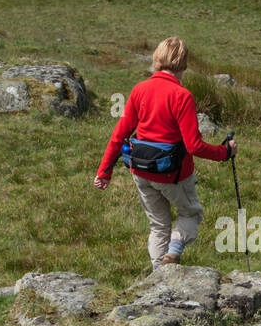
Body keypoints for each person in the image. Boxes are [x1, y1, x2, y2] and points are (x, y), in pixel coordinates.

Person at [94, 37, 237, 271]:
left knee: (158, 225)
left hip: (140, 171)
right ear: (183, 64)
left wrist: (104, 172)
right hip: (174, 175)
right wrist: (225, 152)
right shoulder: (182, 96)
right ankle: (173, 253)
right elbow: (194, 146)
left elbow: (119, 135)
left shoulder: (139, 90)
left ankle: (158, 275)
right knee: (190, 214)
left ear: (157, 59)